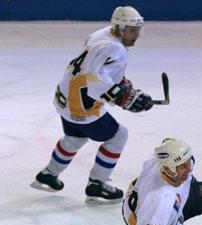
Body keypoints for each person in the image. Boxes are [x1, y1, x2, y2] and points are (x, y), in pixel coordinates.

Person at [31, 6, 154, 203]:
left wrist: (123, 87)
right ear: (120, 28)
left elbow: (96, 68)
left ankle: (48, 174)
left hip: (64, 97)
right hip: (81, 104)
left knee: (75, 137)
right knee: (118, 135)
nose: (136, 35)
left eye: (138, 29)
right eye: (132, 30)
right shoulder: (116, 49)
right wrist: (125, 98)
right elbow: (94, 80)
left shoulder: (102, 34)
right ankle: (97, 184)